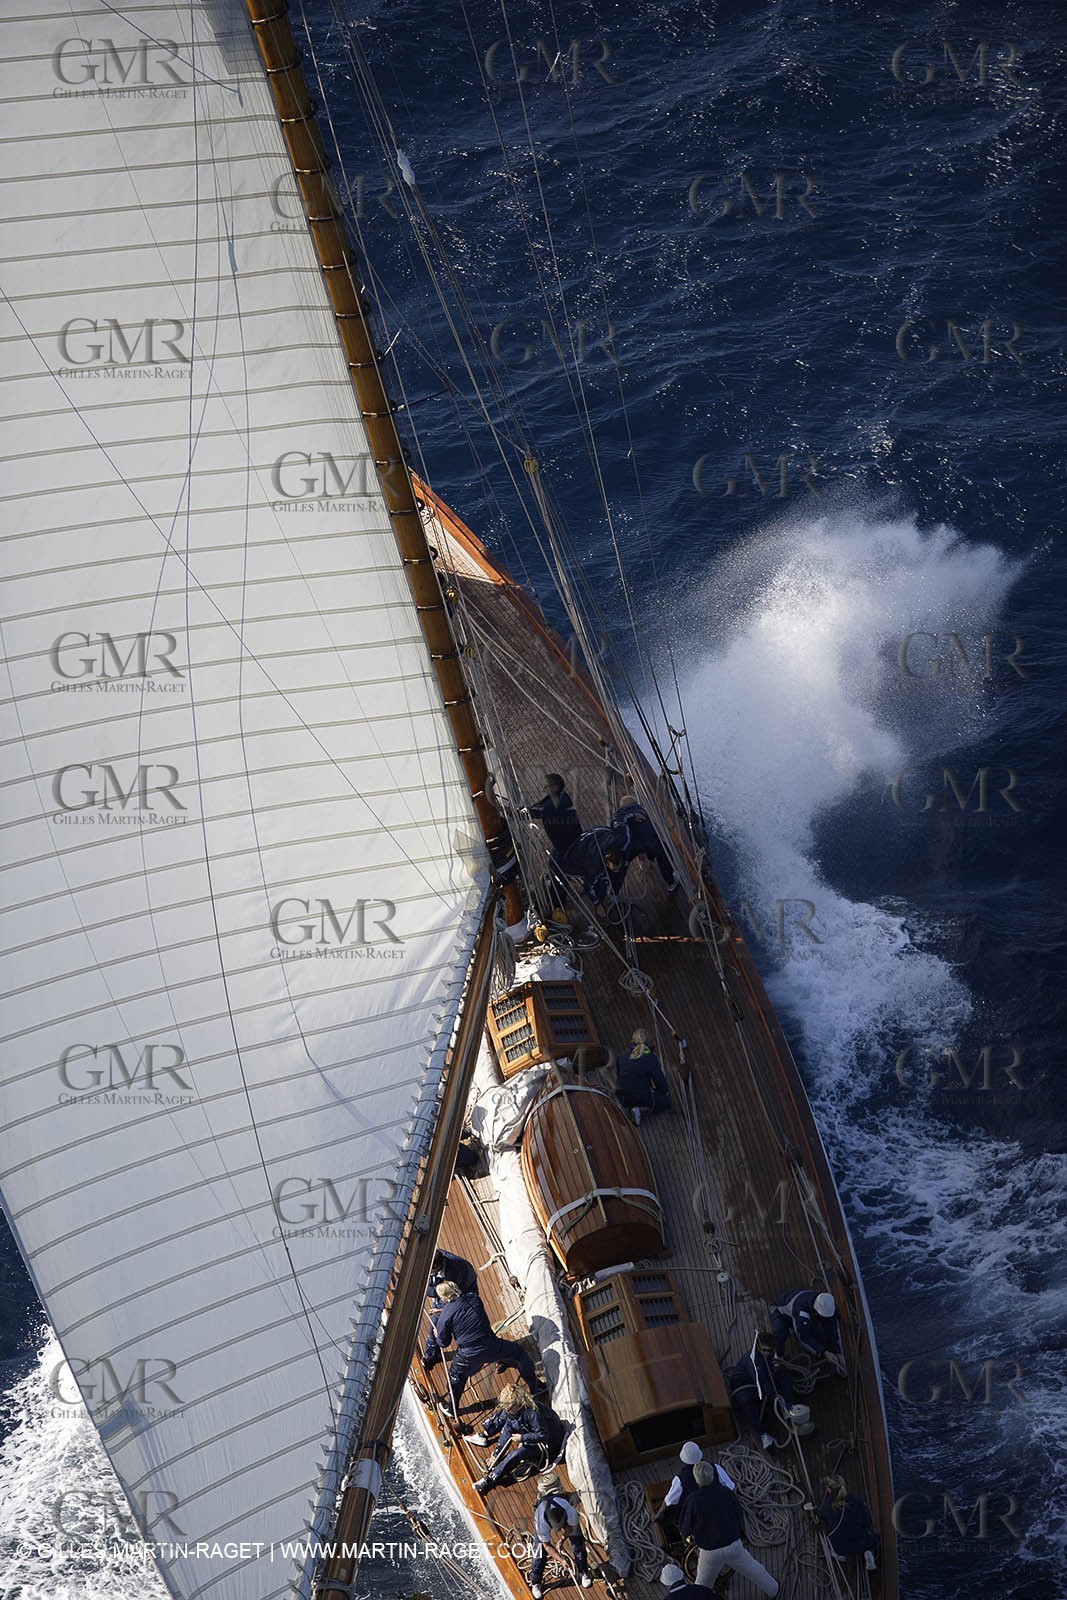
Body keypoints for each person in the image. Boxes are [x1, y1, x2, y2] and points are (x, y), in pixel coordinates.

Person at [423, 1281, 536, 1408]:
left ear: (443, 1298)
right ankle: (535, 1388)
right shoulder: (473, 1298)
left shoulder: (445, 1316)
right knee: (519, 1354)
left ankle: (451, 1407)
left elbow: (443, 1343)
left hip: (468, 1355)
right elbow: (461, 1309)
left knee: (456, 1377)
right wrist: (445, 1311)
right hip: (492, 1345)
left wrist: (437, 1334)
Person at [678, 1460, 779, 1596]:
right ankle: (774, 1590)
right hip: (733, 1546)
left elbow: (685, 1529)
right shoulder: (726, 1492)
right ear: (712, 1475)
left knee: (702, 1586)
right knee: (755, 1570)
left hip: (710, 1553)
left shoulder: (692, 1500)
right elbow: (739, 1515)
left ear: (697, 1479)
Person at [467, 1380, 566, 1494]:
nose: (507, 1410)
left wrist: (522, 1438)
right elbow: (507, 1431)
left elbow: (542, 1435)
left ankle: (489, 1480)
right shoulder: (512, 1412)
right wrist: (496, 1454)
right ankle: (495, 1458)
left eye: (509, 1407)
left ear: (517, 1404)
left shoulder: (533, 1413)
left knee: (516, 1454)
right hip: (532, 1435)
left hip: (549, 1444)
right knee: (511, 1445)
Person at [727, 1335, 795, 1450]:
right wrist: (775, 1396)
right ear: (758, 1348)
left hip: (761, 1378)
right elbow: (761, 1382)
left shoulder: (768, 1354)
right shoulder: (752, 1361)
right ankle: (763, 1435)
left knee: (785, 1375)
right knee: (747, 1402)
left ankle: (788, 1407)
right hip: (744, 1387)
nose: (767, 1353)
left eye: (769, 1350)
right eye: (764, 1350)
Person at [529, 1481, 593, 1598]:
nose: (558, 1530)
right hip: (543, 1511)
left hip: (564, 1510)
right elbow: (547, 1545)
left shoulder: (570, 1512)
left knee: (579, 1544)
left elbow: (570, 1528)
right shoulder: (541, 1521)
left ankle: (583, 1571)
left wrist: (562, 1540)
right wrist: (561, 1560)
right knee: (539, 1552)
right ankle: (536, 1582)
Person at [612, 793, 679, 890]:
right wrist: (651, 857)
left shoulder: (620, 814)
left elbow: (615, 825)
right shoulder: (642, 811)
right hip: (649, 840)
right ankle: (671, 882)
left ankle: (613, 890)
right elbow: (652, 829)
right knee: (663, 851)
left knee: (621, 865)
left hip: (632, 845)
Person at [558, 825, 628, 914]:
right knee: (599, 884)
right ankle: (601, 908)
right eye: (614, 868)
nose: (616, 870)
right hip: (573, 861)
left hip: (589, 838)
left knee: (606, 877)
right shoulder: (595, 865)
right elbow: (588, 885)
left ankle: (606, 896)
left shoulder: (619, 840)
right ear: (606, 863)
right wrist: (597, 903)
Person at [768, 1288, 844, 1370]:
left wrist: (837, 1351)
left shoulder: (829, 1306)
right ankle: (779, 1357)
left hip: (797, 1311)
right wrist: (823, 1352)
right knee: (780, 1332)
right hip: (779, 1312)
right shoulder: (802, 1313)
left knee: (819, 1336)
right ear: (817, 1312)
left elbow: (831, 1329)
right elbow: (804, 1337)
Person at [817, 1476, 879, 1571]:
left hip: (840, 1547)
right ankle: (868, 1553)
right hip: (860, 1543)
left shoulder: (825, 1506)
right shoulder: (855, 1499)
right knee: (874, 1538)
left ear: (829, 1490)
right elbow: (868, 1519)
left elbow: (822, 1521)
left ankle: (840, 1555)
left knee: (834, 1541)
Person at [660, 1441, 735, 1518]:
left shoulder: (680, 1480)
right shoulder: (716, 1468)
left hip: (698, 1514)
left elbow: (669, 1501)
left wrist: (658, 1514)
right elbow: (731, 1487)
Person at [615, 1028, 670, 1124]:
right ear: (648, 1042)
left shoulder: (621, 1056)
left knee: (630, 1091)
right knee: (666, 1101)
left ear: (632, 1041)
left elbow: (619, 1075)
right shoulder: (650, 1057)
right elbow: (660, 1083)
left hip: (622, 1096)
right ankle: (640, 1110)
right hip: (641, 1097)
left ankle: (624, 1107)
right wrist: (662, 1092)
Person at [527, 773, 583, 856]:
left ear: (555, 787)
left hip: (570, 847)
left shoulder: (558, 802)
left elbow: (540, 810)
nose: (544, 789)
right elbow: (538, 806)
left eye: (546, 786)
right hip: (565, 846)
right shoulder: (558, 797)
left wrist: (522, 812)